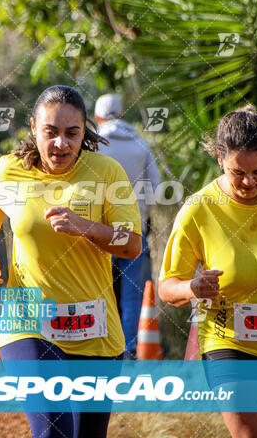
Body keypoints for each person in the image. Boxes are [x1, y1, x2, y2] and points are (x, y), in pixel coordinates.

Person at [0, 85, 142, 438]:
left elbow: (131, 245)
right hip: (27, 321)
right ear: (33, 127)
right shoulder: (11, 169)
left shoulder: (106, 172)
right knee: (54, 431)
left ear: (85, 131)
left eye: (72, 133)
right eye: (50, 132)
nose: (61, 144)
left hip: (94, 328)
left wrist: (86, 227)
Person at [158, 105, 257, 438]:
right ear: (220, 159)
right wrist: (192, 288)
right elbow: (167, 287)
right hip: (229, 342)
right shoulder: (199, 210)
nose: (248, 182)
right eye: (238, 172)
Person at [95, 93, 160, 358]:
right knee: (132, 292)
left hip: (98, 230)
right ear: (122, 115)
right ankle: (129, 348)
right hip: (134, 229)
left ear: (97, 117)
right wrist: (140, 210)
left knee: (98, 286)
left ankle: (99, 345)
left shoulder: (95, 146)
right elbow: (155, 190)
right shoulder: (141, 145)